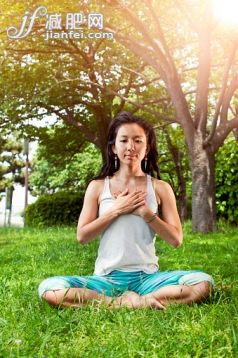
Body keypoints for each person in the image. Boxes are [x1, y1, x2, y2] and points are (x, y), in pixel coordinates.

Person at [38, 112, 214, 309]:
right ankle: (118, 303)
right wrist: (116, 210)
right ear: (114, 148)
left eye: (138, 141)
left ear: (146, 149)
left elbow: (176, 239)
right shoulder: (97, 187)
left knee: (203, 282)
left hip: (148, 279)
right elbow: (82, 236)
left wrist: (147, 214)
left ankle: (144, 300)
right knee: (50, 289)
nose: (131, 147)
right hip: (106, 279)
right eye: (124, 140)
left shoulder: (160, 188)